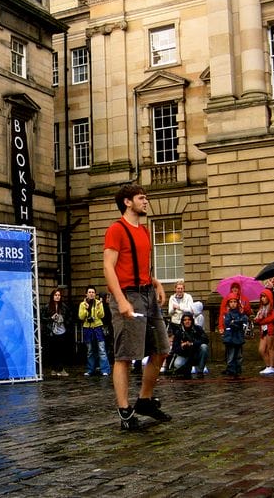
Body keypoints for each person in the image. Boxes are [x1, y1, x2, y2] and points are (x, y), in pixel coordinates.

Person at [103, 183, 170, 431]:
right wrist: (120, 300)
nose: (146, 201)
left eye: (146, 197)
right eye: (142, 198)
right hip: (128, 295)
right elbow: (109, 267)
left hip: (148, 293)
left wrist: (156, 282)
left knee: (162, 348)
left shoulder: (143, 231)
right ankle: (124, 411)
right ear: (127, 202)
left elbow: (140, 265)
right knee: (125, 355)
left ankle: (144, 400)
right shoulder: (116, 230)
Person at [78, 286, 111, 377]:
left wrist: (97, 308)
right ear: (86, 294)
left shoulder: (98, 303)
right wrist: (87, 309)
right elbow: (81, 316)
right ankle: (90, 369)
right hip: (87, 328)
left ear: (95, 294)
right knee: (90, 350)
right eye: (89, 292)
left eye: (93, 292)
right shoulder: (82, 304)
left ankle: (105, 369)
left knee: (101, 349)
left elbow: (102, 315)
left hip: (97, 327)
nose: (91, 294)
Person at [170, 312, 209, 379]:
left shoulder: (198, 329)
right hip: (185, 355)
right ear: (182, 321)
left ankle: (200, 371)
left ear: (192, 320)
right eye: (185, 320)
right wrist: (182, 346)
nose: (187, 322)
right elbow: (175, 348)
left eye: (189, 320)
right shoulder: (179, 332)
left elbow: (205, 340)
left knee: (204, 347)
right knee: (178, 364)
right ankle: (186, 369)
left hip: (196, 353)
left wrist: (192, 343)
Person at [41, 288, 70, 377]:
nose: (57, 297)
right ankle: (54, 369)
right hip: (51, 331)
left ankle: (61, 369)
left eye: (59, 295)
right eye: (55, 295)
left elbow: (69, 317)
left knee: (61, 351)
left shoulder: (64, 306)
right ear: (52, 296)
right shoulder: (47, 306)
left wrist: (63, 319)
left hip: (62, 331)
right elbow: (42, 318)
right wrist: (51, 318)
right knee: (53, 351)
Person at [253, 288, 274, 376]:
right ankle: (268, 366)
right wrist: (257, 319)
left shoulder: (272, 306)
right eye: (262, 297)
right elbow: (260, 318)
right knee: (261, 349)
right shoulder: (261, 308)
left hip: (270, 329)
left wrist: (262, 321)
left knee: (271, 348)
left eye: (264, 296)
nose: (262, 298)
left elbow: (273, 317)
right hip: (263, 330)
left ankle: (272, 366)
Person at [222, 295, 249, 377]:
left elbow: (244, 321)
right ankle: (231, 369)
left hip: (239, 337)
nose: (233, 304)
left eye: (235, 302)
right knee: (231, 354)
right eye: (231, 302)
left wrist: (236, 322)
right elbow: (228, 323)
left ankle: (238, 368)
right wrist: (237, 323)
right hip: (230, 337)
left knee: (239, 355)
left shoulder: (241, 313)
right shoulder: (228, 314)